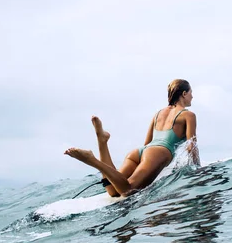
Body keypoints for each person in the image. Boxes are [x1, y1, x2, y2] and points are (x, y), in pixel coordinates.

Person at [64, 79, 200, 197]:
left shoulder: (158, 113)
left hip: (141, 152)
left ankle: (102, 141)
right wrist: (197, 170)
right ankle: (91, 159)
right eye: (191, 93)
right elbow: (191, 146)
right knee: (128, 190)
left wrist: (150, 164)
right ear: (184, 94)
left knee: (113, 190)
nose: (192, 97)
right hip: (159, 152)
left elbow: (147, 143)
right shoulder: (188, 115)